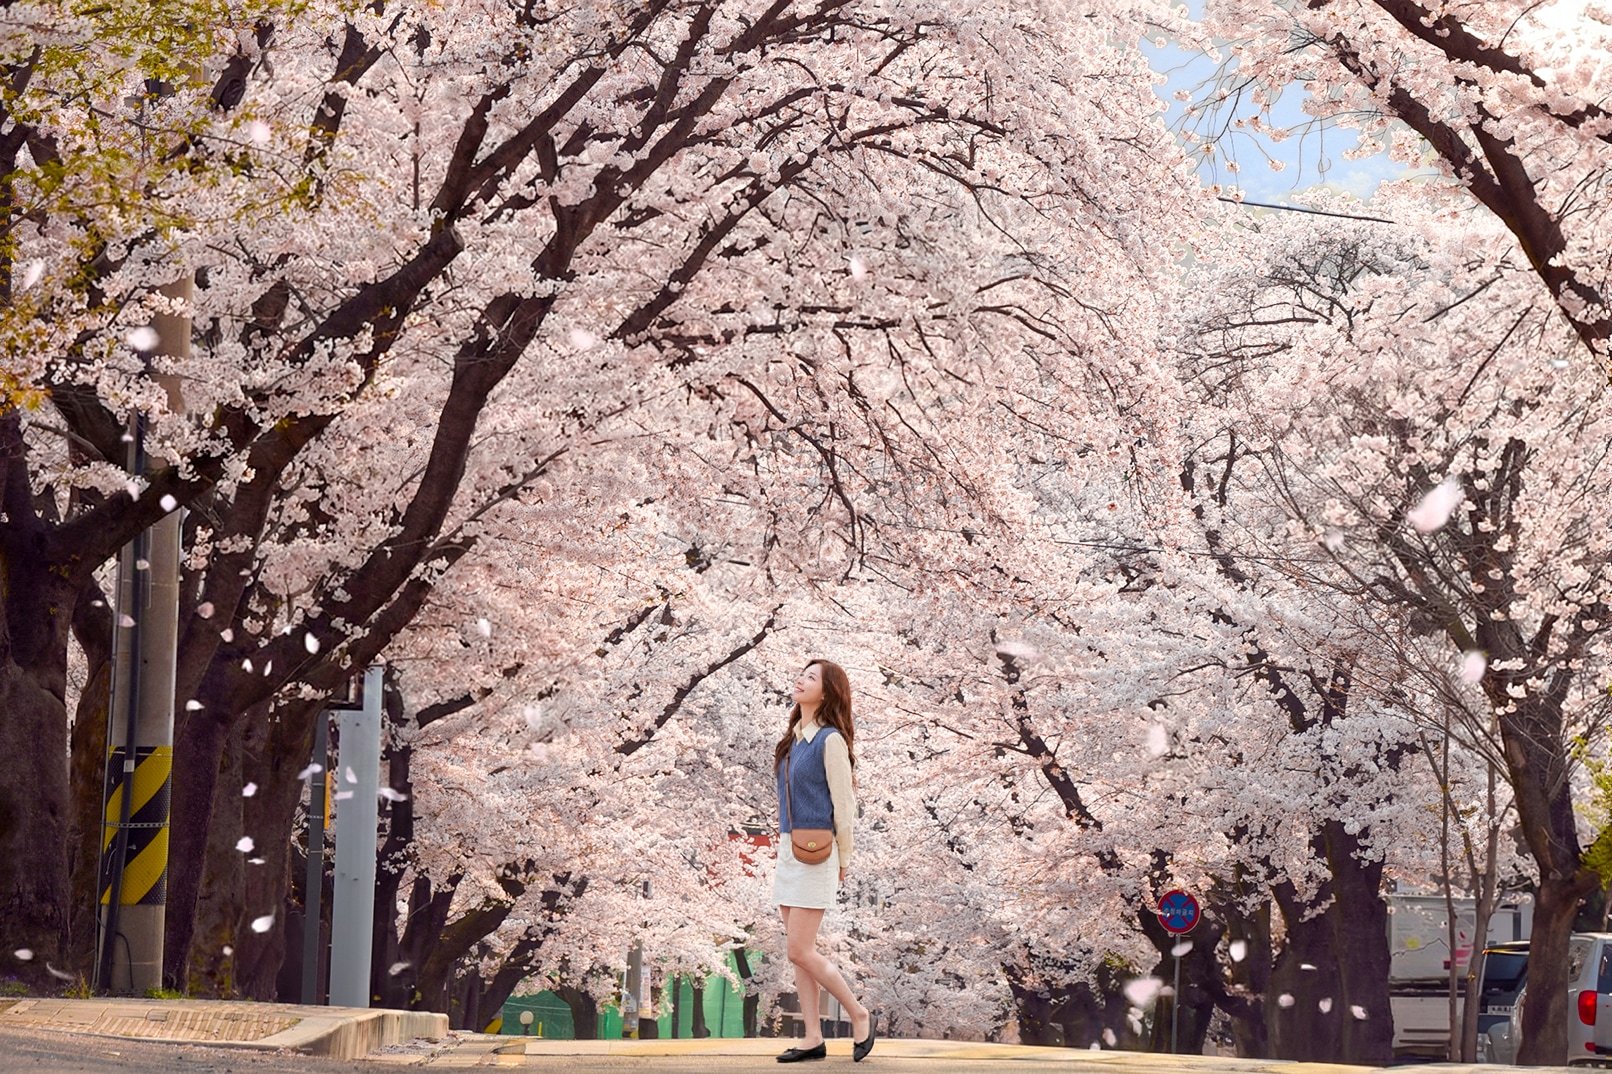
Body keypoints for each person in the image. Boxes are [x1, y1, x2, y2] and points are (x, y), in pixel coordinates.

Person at [772, 659, 875, 1063]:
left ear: (828, 692)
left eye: (811, 677)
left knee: (799, 950)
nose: (800, 679)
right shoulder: (794, 738)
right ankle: (812, 1038)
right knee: (799, 950)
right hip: (789, 849)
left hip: (819, 853)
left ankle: (859, 1014)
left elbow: (844, 805)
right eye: (801, 673)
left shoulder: (830, 740)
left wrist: (844, 858)